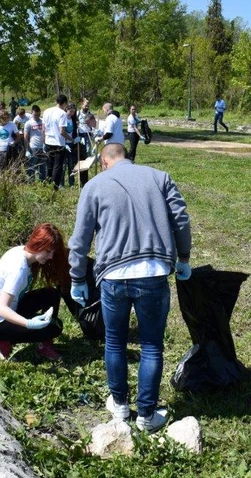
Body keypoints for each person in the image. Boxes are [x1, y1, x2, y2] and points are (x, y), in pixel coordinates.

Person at [68, 143, 192, 434]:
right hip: (153, 273)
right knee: (151, 345)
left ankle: (120, 405)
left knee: (114, 342)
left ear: (103, 161)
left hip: (113, 275)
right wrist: (184, 256)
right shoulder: (159, 177)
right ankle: (147, 414)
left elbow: (80, 238)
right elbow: (181, 219)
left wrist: (76, 278)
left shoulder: (95, 186)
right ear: (128, 157)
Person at [0, 223, 68, 361]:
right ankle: (3, 339)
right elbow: (1, 309)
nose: (51, 257)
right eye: (48, 251)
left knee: (52, 294)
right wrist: (28, 323)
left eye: (53, 253)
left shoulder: (21, 251)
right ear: (38, 244)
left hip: (9, 307)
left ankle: (44, 343)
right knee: (55, 327)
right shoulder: (18, 269)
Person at [42, 94, 73, 190]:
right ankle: (54, 188)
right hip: (58, 143)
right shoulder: (62, 113)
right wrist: (72, 139)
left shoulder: (46, 111)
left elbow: (43, 129)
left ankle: (47, 185)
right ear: (64, 103)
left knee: (49, 166)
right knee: (57, 167)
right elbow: (62, 131)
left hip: (48, 142)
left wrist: (44, 141)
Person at [24, 105, 46, 182]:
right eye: (35, 114)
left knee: (42, 166)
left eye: (38, 114)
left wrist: (45, 144)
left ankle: (42, 182)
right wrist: (26, 149)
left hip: (42, 147)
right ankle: (31, 181)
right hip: (33, 147)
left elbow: (45, 133)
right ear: (32, 113)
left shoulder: (43, 121)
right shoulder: (28, 123)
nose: (37, 116)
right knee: (32, 165)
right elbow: (26, 137)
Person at [65, 104, 79, 186]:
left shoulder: (73, 120)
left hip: (71, 143)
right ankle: (61, 183)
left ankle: (71, 182)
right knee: (63, 165)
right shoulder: (63, 118)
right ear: (67, 109)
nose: (71, 113)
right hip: (63, 144)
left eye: (73, 112)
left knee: (71, 164)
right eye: (70, 111)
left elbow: (74, 132)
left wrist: (76, 139)